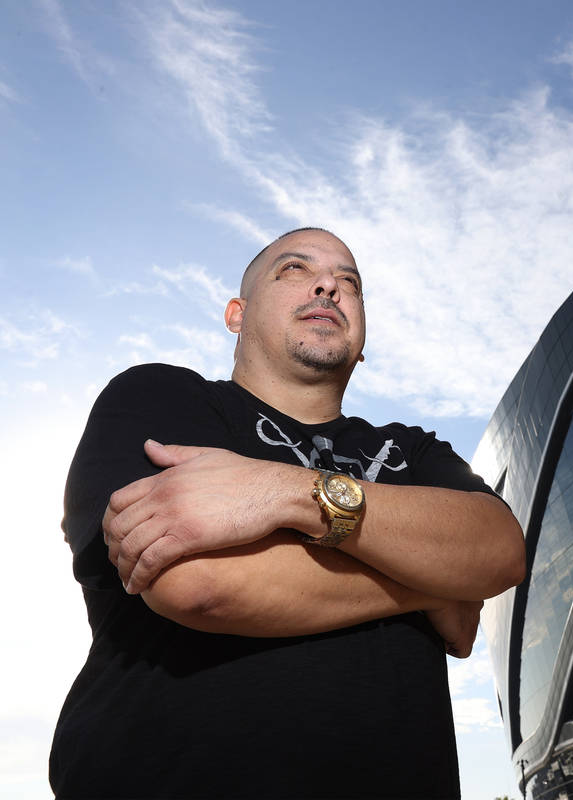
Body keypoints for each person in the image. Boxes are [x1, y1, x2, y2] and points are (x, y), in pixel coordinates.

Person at [50, 228, 525, 799]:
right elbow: (197, 582)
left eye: (349, 283)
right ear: (237, 314)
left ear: (364, 340)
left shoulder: (412, 451)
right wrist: (434, 586)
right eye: (294, 270)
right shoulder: (162, 398)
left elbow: (501, 550)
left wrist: (286, 491)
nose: (329, 285)